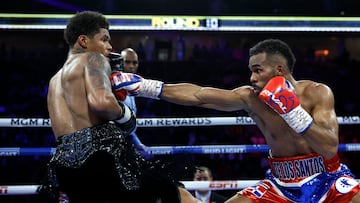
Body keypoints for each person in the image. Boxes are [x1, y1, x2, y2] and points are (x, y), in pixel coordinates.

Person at [111, 38, 360, 202]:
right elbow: (199, 95)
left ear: (280, 70)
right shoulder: (251, 98)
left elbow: (328, 147)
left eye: (257, 70)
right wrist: (145, 86)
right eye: (250, 70)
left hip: (329, 182)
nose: (251, 77)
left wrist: (291, 111)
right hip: (279, 185)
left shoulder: (317, 92)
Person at [39, 10, 198, 203]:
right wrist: (126, 116)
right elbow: (102, 102)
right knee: (178, 195)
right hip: (102, 158)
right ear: (83, 41)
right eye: (104, 39)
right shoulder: (93, 58)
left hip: (64, 167)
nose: (109, 46)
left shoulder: (54, 80)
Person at [119, 47, 147, 151]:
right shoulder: (113, 86)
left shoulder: (132, 88)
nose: (131, 66)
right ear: (120, 63)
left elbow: (128, 125)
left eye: (134, 63)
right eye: (127, 62)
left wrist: (138, 143)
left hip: (127, 140)